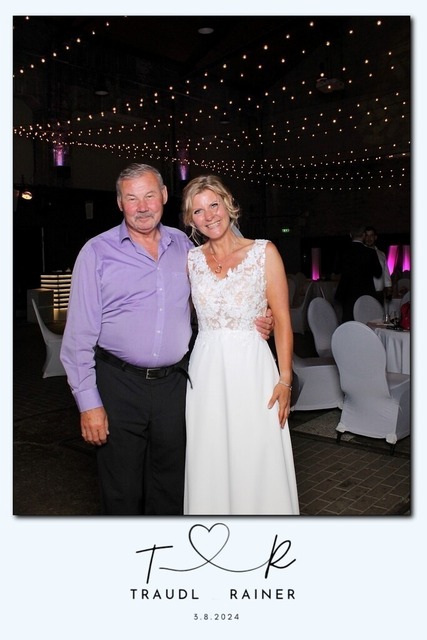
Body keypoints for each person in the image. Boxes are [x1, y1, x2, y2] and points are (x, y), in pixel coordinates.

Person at [60, 163, 272, 516]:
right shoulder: (97, 252)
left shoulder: (186, 248)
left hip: (175, 387)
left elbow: (214, 298)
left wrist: (257, 318)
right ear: (119, 203)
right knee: (122, 492)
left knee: (173, 487)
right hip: (118, 386)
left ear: (163, 196)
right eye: (132, 198)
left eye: (149, 196)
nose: (142, 207)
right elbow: (77, 338)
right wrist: (88, 404)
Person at [181, 175, 299, 515]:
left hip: (253, 370)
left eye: (213, 205)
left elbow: (283, 320)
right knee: (210, 454)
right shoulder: (190, 261)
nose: (209, 216)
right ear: (191, 220)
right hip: (206, 373)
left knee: (257, 450)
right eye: (198, 211)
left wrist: (285, 379)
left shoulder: (264, 252)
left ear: (228, 205)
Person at [334, 225, 382, 323]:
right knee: (365, 321)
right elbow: (378, 273)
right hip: (365, 292)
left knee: (348, 320)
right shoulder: (370, 252)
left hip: (346, 292)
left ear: (350, 235)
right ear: (363, 235)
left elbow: (336, 270)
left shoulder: (343, 251)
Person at [364, 226, 392, 305]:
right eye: (367, 235)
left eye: (371, 235)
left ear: (375, 237)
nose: (369, 238)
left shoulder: (381, 254)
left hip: (379, 292)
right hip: (365, 292)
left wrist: (389, 288)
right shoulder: (360, 253)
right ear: (363, 237)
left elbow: (385, 272)